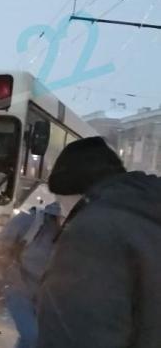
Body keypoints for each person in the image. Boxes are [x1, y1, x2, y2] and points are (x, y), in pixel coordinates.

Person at [37, 136, 161, 348]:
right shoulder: (146, 211)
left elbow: (76, 333)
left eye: (60, 198)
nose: (60, 207)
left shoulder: (92, 231)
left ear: (77, 192)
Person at [0, 202, 62, 348]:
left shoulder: (75, 230)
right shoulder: (31, 220)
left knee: (40, 340)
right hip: (17, 286)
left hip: (46, 297)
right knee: (32, 335)